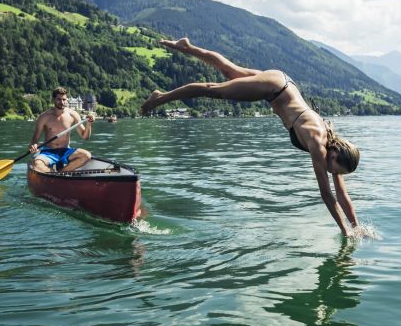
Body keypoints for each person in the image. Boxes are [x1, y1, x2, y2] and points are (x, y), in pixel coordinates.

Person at [141, 38, 361, 237]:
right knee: (213, 89)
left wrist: (356, 226)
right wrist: (346, 231)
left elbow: (341, 194)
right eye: (335, 169)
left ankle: (187, 47)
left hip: (283, 83)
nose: (333, 174)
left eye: (337, 173)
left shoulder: (331, 147)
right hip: (274, 88)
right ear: (334, 154)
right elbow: (326, 194)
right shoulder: (317, 142)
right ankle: (160, 98)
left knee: (229, 70)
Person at [29, 87, 96, 173]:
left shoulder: (73, 114)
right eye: (59, 99)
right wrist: (33, 146)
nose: (62, 102)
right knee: (37, 164)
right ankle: (53, 172)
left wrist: (89, 123)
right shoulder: (44, 117)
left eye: (64, 99)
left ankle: (61, 172)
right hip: (48, 152)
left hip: (65, 151)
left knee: (87, 155)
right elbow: (35, 138)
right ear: (53, 99)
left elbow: (85, 136)